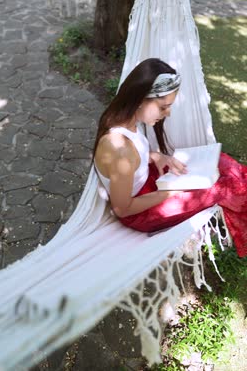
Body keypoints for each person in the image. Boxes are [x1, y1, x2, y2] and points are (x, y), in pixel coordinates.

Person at [93, 58, 247, 258]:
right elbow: (122, 209)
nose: (168, 113)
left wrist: (156, 156)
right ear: (140, 100)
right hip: (140, 213)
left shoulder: (125, 124)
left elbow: (132, 159)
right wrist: (173, 192)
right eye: (163, 107)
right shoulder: (119, 148)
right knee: (221, 188)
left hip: (150, 186)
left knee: (220, 162)